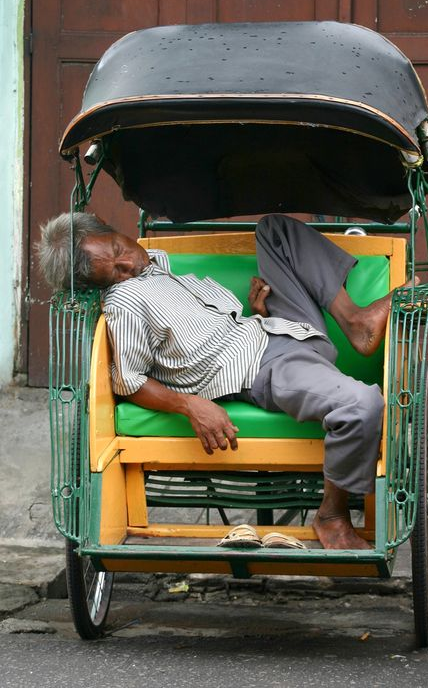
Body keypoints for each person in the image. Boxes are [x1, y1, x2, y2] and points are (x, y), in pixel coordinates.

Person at [38, 211, 398, 550]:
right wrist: (189, 404)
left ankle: (354, 320)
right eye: (115, 272)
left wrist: (258, 315)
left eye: (119, 248)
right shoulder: (125, 301)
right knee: (361, 405)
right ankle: (332, 516)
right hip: (267, 365)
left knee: (275, 229)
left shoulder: (153, 266)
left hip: (273, 327)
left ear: (111, 228)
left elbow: (200, 328)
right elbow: (128, 380)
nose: (128, 264)